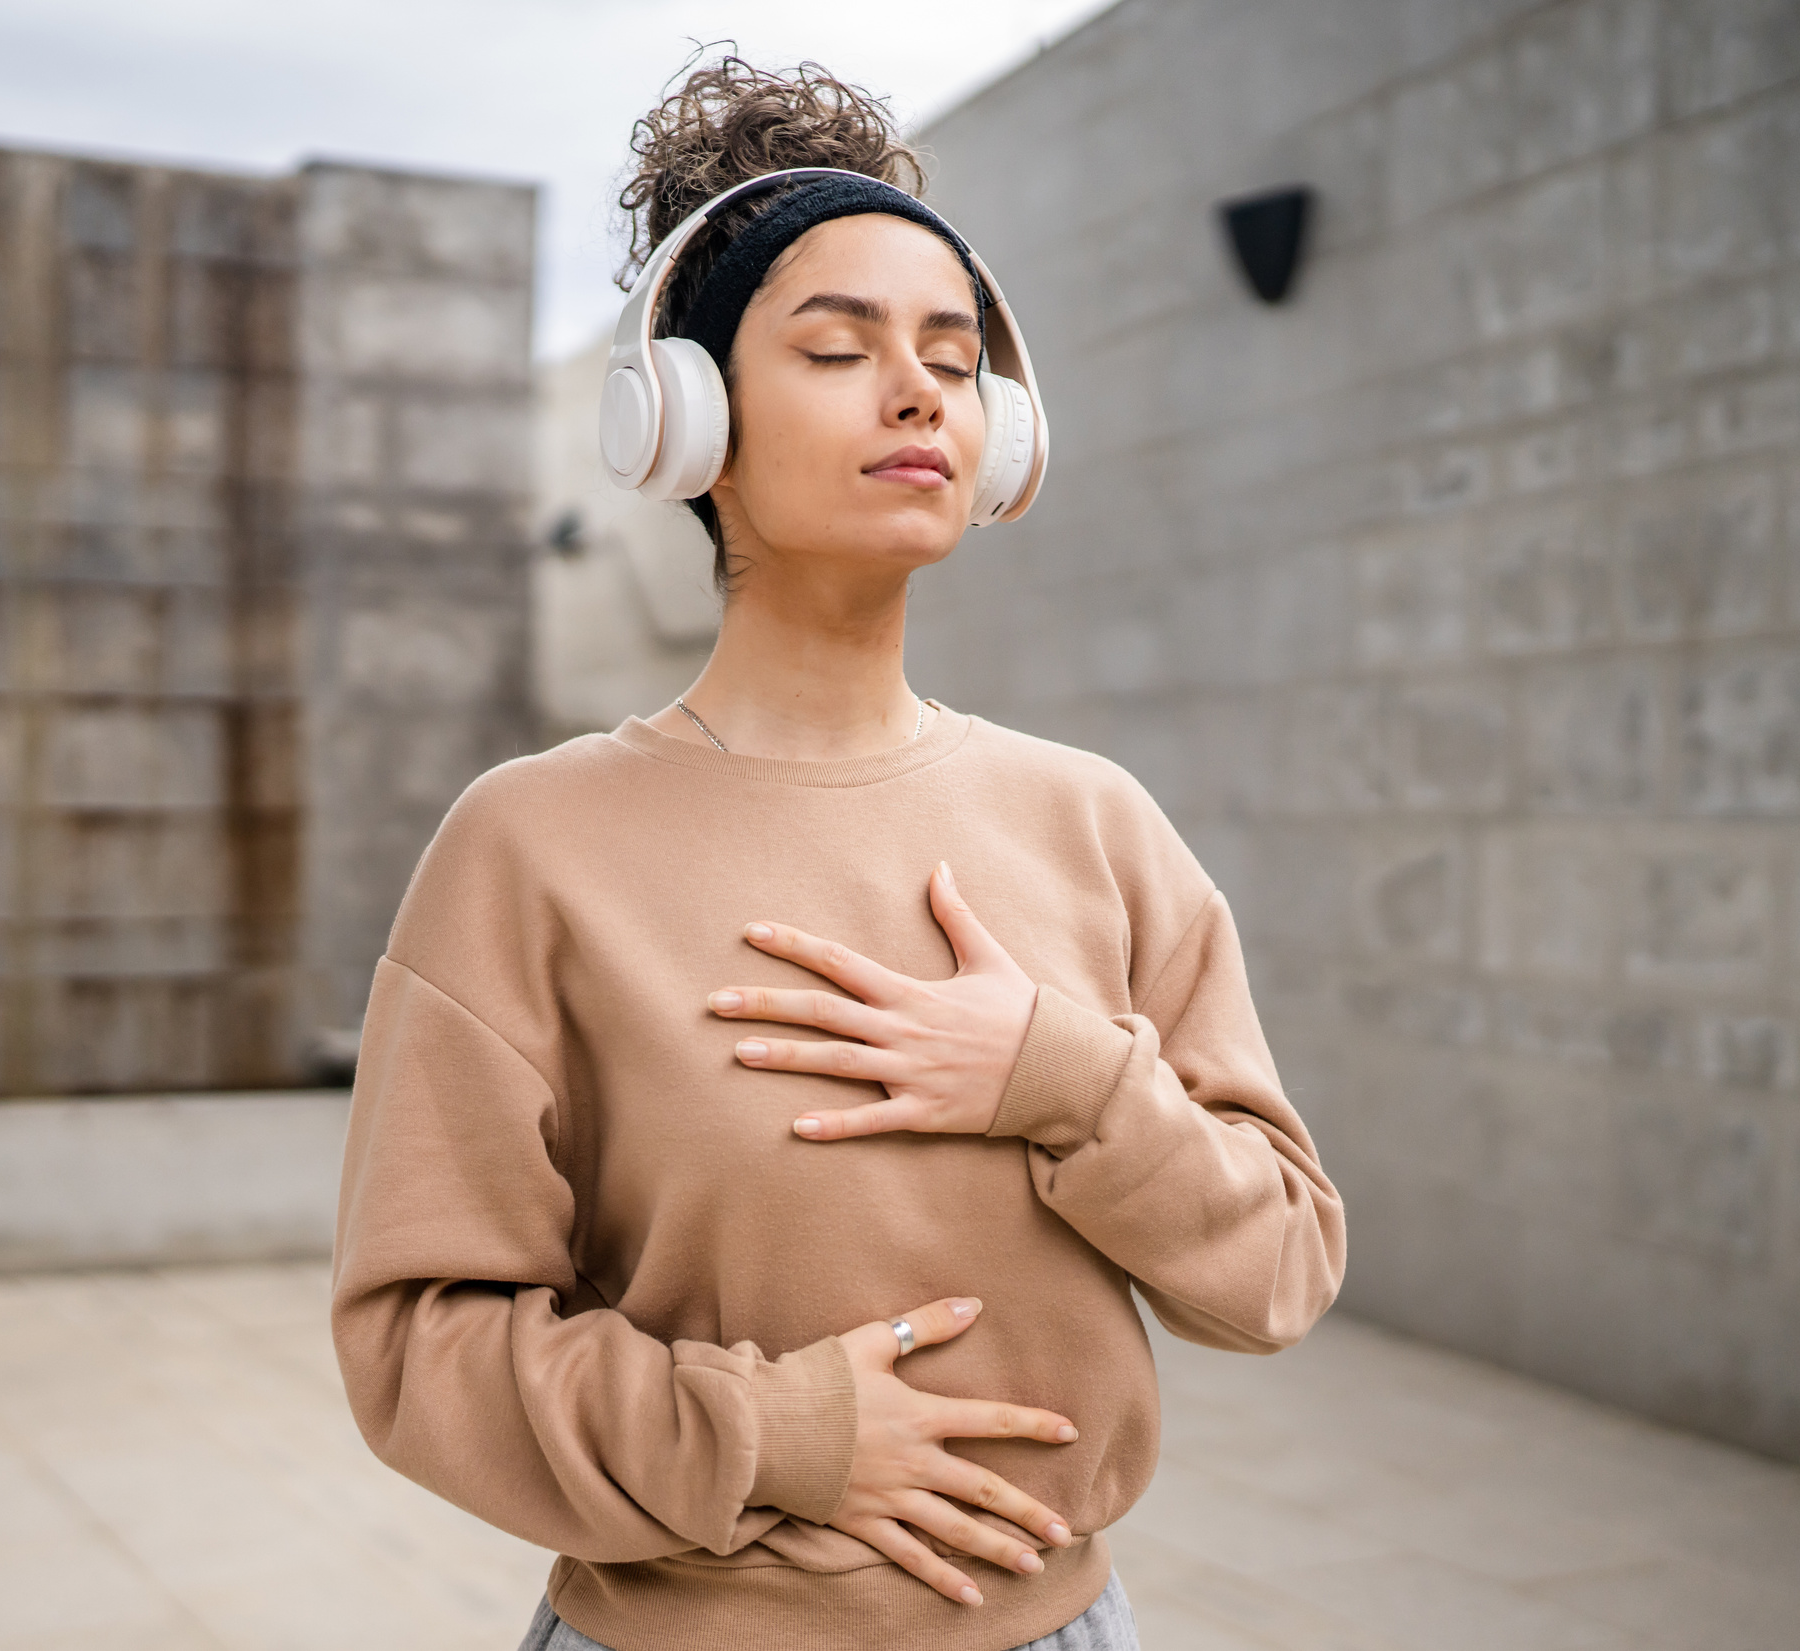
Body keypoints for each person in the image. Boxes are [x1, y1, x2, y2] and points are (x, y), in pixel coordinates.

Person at [330, 57, 1345, 1651]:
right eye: (835, 348)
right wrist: (775, 1436)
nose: (918, 392)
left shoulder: (1095, 823)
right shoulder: (528, 846)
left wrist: (1067, 1082)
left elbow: (1276, 1275)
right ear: (689, 420)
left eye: (952, 358)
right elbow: (416, 1343)